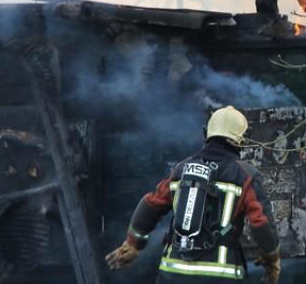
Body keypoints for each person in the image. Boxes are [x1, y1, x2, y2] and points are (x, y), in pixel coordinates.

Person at [105, 106, 281, 284]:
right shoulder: (245, 175)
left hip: (172, 274)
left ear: (206, 133)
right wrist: (271, 260)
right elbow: (262, 223)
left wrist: (133, 244)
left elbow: (151, 204)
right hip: (220, 276)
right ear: (241, 139)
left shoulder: (180, 169)